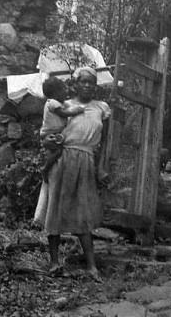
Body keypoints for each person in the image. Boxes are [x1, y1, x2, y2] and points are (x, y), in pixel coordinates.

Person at [37, 67, 111, 281]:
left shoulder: (101, 108)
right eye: (83, 82)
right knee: (56, 209)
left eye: (91, 82)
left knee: (83, 212)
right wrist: (46, 142)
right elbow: (48, 133)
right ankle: (54, 262)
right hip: (62, 160)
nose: (87, 85)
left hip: (86, 160)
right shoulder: (64, 105)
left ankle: (91, 266)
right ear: (75, 84)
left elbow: (104, 142)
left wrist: (100, 167)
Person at [39, 76, 84, 181]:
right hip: (49, 133)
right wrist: (77, 111)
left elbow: (70, 105)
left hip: (56, 132)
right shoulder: (52, 103)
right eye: (64, 89)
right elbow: (64, 113)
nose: (66, 91)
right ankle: (45, 168)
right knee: (58, 151)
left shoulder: (60, 102)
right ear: (56, 93)